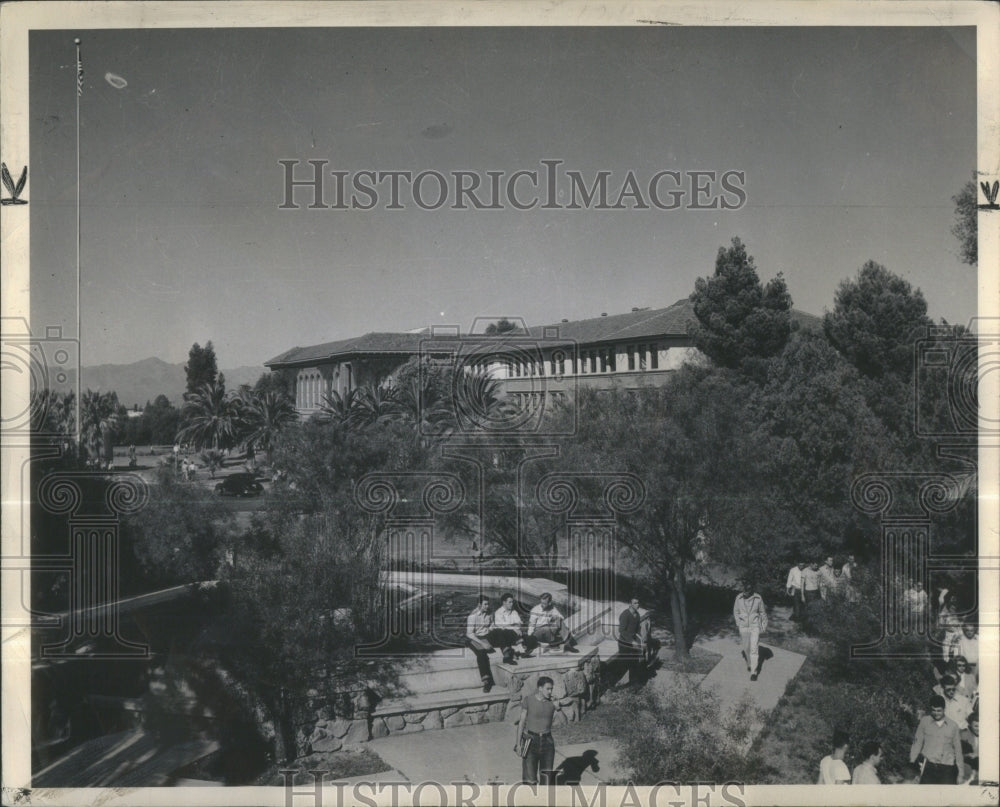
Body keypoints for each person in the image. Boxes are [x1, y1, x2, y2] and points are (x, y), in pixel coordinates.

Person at [466, 595, 521, 691]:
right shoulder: (472, 616)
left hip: (486, 635)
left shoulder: (489, 614)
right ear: (479, 605)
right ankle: (486, 680)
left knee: (500, 632)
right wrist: (483, 644)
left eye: (488, 604)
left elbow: (491, 625)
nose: (487, 606)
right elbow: (469, 634)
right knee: (482, 653)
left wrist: (493, 629)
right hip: (474, 638)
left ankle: (506, 654)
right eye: (485, 604)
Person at [516, 676, 561, 786]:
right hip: (530, 741)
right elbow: (521, 722)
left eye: (551, 689)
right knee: (530, 780)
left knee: (547, 780)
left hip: (548, 742)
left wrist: (558, 708)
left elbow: (565, 722)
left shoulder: (553, 703)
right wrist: (518, 744)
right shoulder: (529, 700)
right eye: (548, 689)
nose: (550, 692)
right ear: (540, 688)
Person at [910, 694, 965, 784]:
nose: (936, 713)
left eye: (939, 711)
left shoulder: (953, 726)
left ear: (944, 709)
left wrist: (961, 774)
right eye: (933, 710)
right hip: (928, 767)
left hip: (947, 768)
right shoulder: (924, 722)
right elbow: (917, 744)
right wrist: (912, 766)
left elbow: (958, 751)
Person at [733, 580, 768, 681]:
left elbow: (762, 612)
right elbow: (735, 611)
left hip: (754, 626)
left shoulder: (758, 598)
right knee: (746, 648)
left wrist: (764, 626)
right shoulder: (738, 598)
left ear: (751, 590)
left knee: (754, 649)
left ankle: (754, 671)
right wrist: (738, 622)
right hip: (743, 627)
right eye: (744, 590)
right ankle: (749, 663)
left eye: (747, 590)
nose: (745, 592)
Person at [494, 593, 534, 660]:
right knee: (507, 632)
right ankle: (519, 650)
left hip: (514, 633)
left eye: (512, 602)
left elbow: (519, 624)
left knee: (530, 637)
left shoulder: (514, 612)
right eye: (509, 602)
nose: (512, 604)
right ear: (504, 602)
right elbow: (501, 626)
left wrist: (511, 626)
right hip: (503, 635)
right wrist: (513, 627)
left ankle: (518, 651)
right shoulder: (498, 613)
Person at [618, 598, 647, 686]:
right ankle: (620, 685)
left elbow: (637, 629)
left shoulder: (637, 615)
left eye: (638, 603)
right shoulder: (625, 614)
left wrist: (640, 640)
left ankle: (633, 683)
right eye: (635, 603)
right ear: (630, 604)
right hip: (624, 642)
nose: (637, 605)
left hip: (633, 642)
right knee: (626, 663)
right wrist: (631, 641)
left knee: (634, 663)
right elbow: (621, 630)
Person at [960, 711, 978, 784]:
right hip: (966, 769)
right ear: (970, 725)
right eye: (976, 726)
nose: (979, 729)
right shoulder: (963, 735)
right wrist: (966, 755)